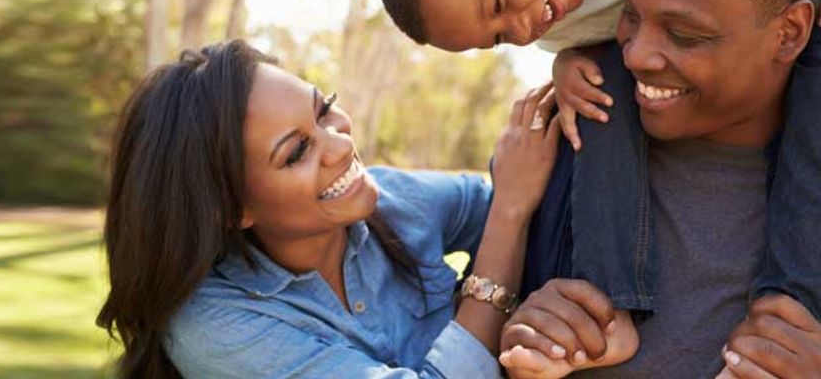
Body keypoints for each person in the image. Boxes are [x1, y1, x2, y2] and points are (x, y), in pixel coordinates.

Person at [370, 0, 821, 324]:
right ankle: (609, 302)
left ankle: (794, 302)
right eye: (497, 38)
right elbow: (599, 43)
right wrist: (567, 64)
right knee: (596, 101)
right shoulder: (557, 24)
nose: (521, 32)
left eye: (498, 2)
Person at [499, 0, 821, 378]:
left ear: (790, 32)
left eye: (684, 33)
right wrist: (523, 342)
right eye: (630, 14)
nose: (638, 55)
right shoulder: (559, 154)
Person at [96, 39, 561, 378]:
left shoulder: (394, 200)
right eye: (296, 152)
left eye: (324, 111)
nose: (340, 145)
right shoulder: (216, 328)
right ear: (233, 209)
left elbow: (546, 222)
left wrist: (575, 67)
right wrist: (507, 224)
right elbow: (511, 212)